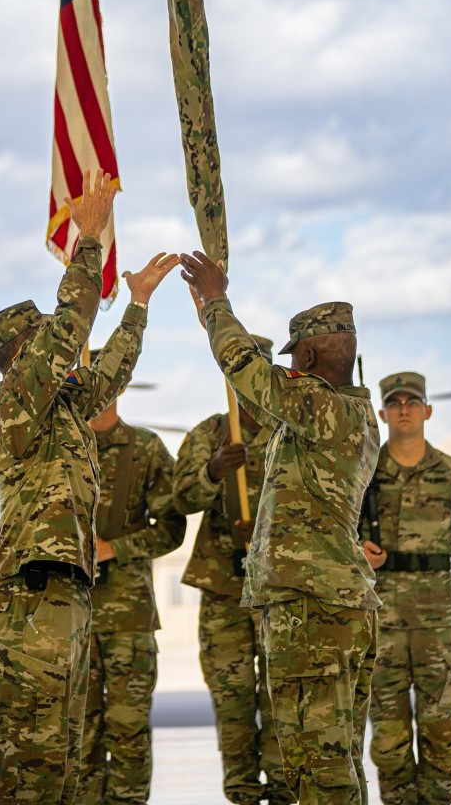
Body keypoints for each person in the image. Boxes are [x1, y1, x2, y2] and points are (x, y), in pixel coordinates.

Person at [0, 166, 179, 805]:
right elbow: (71, 326)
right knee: (32, 757)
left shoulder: (60, 405)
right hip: (32, 594)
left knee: (61, 754)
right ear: (23, 356)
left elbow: (110, 373)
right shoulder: (11, 404)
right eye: (44, 346)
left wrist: (139, 302)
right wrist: (88, 240)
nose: (62, 355)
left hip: (65, 592)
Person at [179, 249, 380, 805]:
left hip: (311, 607)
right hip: (333, 604)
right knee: (333, 760)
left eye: (295, 360)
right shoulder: (351, 413)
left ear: (309, 354)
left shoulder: (319, 405)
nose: (289, 369)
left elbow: (249, 372)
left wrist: (218, 301)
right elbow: (250, 386)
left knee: (314, 764)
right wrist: (212, 319)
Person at [172, 334, 290, 805]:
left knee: (282, 700)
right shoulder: (210, 433)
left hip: (281, 591)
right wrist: (214, 471)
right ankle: (241, 793)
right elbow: (180, 500)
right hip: (224, 589)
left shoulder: (291, 432)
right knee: (232, 700)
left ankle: (284, 793)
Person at [77, 391, 186, 805]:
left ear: (120, 387)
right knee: (79, 732)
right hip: (72, 618)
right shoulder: (61, 448)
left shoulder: (146, 449)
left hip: (128, 618)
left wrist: (115, 549)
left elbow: (172, 527)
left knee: (129, 731)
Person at [360, 371, 451, 805]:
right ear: (382, 413)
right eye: (395, 402)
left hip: (437, 621)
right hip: (381, 621)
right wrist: (357, 550)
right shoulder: (362, 476)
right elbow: (335, 537)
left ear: (428, 410)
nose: (404, 408)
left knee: (441, 728)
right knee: (388, 735)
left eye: (413, 401)